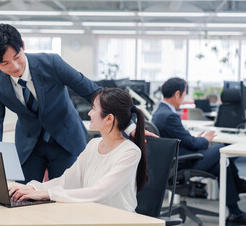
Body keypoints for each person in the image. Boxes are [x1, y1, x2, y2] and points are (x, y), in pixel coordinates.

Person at [0, 24, 156, 184]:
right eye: (4, 64)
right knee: (21, 195)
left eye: (17, 57)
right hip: (29, 145)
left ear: (23, 46)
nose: (15, 66)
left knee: (66, 196)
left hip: (66, 139)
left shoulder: (51, 63)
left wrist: (128, 126)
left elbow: (92, 91)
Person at [8, 88, 147, 212]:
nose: (89, 113)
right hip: (90, 214)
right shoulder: (94, 144)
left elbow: (99, 192)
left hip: (117, 219)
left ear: (109, 118)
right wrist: (33, 188)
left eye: (93, 108)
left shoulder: (130, 152)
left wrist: (47, 194)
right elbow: (67, 180)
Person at [152, 77, 246, 225]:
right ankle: (239, 185)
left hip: (176, 158)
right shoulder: (169, 115)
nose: (184, 98)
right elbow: (190, 142)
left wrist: (196, 139)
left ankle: (236, 213)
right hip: (181, 162)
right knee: (222, 149)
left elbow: (183, 139)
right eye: (184, 94)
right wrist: (206, 139)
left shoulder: (160, 112)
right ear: (177, 94)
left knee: (222, 166)